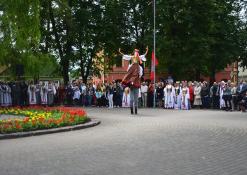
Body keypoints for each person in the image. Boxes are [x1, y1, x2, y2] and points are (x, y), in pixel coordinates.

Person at [118, 47, 148, 114]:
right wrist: (120, 52)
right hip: (132, 83)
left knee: (135, 99)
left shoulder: (139, 58)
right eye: (135, 51)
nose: (136, 52)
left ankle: (135, 109)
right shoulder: (132, 58)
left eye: (137, 51)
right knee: (132, 98)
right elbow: (125, 56)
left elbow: (144, 55)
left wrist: (146, 50)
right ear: (134, 51)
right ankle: (132, 109)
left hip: (136, 83)